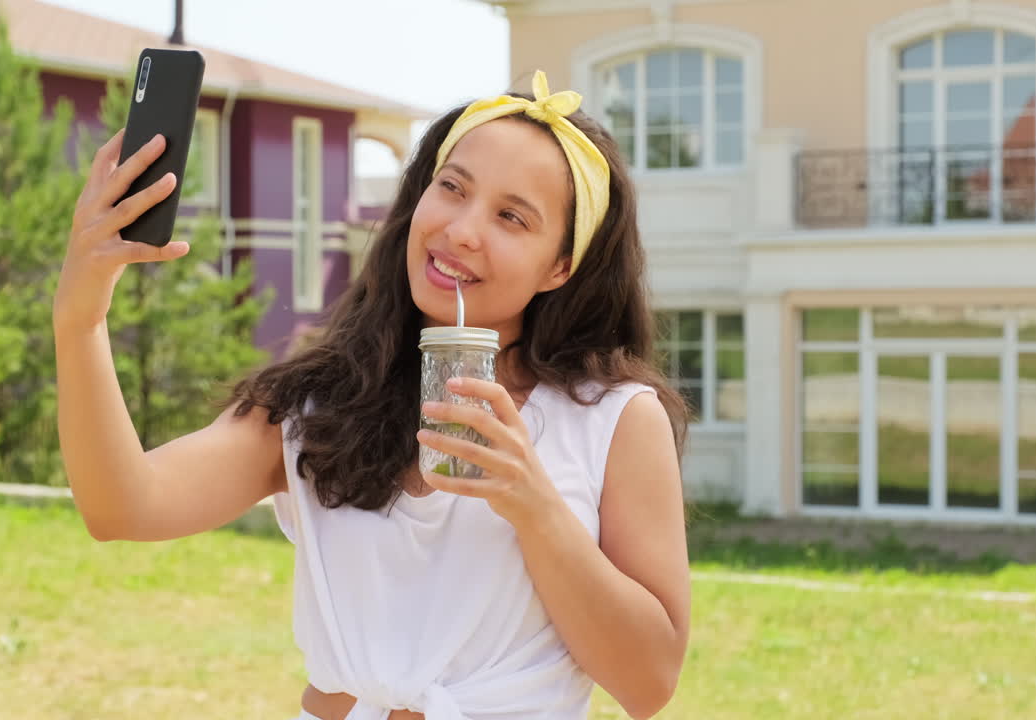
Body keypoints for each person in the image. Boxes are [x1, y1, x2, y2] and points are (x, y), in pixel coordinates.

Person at [54, 70, 691, 720]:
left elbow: (648, 684)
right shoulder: (319, 402)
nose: (463, 229)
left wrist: (535, 507)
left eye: (511, 216)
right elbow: (122, 507)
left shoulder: (614, 419)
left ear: (562, 265)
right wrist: (80, 320)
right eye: (452, 188)